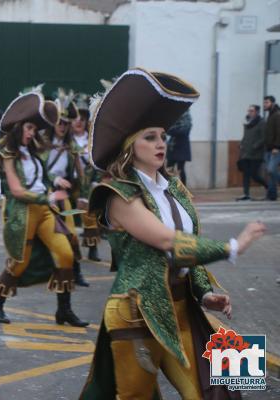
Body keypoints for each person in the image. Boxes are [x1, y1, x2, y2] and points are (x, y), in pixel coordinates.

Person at [79, 68, 266, 400]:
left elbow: (187, 250)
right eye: (149, 137)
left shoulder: (175, 190)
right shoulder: (116, 195)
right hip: (137, 313)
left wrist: (205, 292)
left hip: (184, 309)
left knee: (227, 388)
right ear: (128, 146)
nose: (160, 144)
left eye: (163, 136)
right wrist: (233, 246)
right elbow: (167, 242)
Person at [0, 91, 88, 328]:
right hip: (23, 213)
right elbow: (17, 190)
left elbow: (41, 177)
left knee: (65, 253)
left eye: (34, 129)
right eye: (29, 128)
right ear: (19, 127)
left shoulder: (33, 153)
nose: (33, 133)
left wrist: (54, 181)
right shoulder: (8, 155)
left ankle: (64, 311)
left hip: (44, 211)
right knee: (19, 263)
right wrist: (49, 197)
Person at [41, 88, 89, 287]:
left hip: (63, 196)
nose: (62, 126)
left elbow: (81, 175)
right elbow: (37, 171)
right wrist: (53, 179)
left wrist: (83, 195)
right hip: (43, 196)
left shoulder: (71, 148)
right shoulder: (42, 142)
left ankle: (76, 272)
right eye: (59, 122)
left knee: (71, 234)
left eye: (66, 123)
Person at [71, 93, 102, 262]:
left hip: (87, 183)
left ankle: (92, 247)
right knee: (66, 216)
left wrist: (96, 180)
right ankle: (71, 249)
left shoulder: (92, 141)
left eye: (82, 118)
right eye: (75, 118)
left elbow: (98, 162)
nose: (78, 121)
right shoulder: (64, 139)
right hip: (69, 184)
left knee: (89, 214)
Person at [236, 105, 267, 201]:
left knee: (254, 175)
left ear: (257, 112)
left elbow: (264, 138)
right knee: (246, 174)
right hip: (246, 153)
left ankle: (268, 187)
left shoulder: (262, 123)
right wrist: (241, 143)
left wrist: (255, 146)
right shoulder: (247, 122)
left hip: (256, 154)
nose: (249, 112)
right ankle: (246, 194)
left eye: (252, 111)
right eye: (249, 110)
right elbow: (245, 136)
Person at [166, 110, 192, 185]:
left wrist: (172, 130)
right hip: (173, 147)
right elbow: (168, 130)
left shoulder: (187, 121)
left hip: (182, 147)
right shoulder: (174, 119)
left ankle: (184, 188)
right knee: (169, 168)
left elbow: (182, 131)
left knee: (180, 169)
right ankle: (168, 187)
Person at [263, 95, 280, 201]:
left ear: (273, 103)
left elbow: (279, 133)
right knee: (269, 173)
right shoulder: (270, 115)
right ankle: (272, 195)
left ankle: (272, 194)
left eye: (267, 102)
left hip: (275, 149)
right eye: (264, 102)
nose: (265, 104)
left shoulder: (277, 115)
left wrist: (276, 147)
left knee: (270, 170)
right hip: (268, 149)